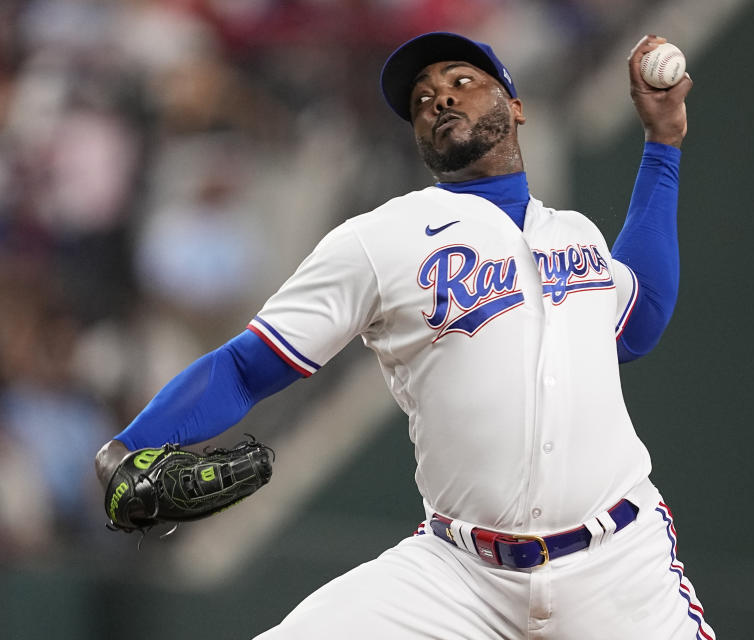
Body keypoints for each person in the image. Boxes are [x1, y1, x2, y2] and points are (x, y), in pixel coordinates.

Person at [95, 31, 712, 639]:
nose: (440, 98)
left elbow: (640, 320)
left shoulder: (575, 235)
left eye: (461, 82)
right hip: (459, 576)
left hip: (619, 566)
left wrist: (664, 141)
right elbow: (245, 366)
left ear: (516, 106)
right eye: (422, 100)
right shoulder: (381, 239)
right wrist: (124, 450)